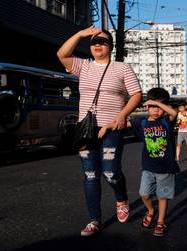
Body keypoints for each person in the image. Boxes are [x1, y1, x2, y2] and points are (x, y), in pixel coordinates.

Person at [57, 26, 142, 236]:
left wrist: (122, 115)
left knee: (111, 172)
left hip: (112, 127)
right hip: (86, 129)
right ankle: (94, 220)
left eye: (102, 41)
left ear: (110, 47)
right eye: (94, 42)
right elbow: (62, 54)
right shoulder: (83, 66)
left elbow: (137, 95)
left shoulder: (122, 68)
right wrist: (80, 34)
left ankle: (121, 198)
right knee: (90, 175)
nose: (97, 45)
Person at [99, 88, 178, 237]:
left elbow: (174, 113)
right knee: (144, 194)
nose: (156, 110)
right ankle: (150, 211)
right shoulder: (141, 123)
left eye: (160, 107)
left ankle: (160, 221)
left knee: (162, 197)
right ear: (147, 107)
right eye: (153, 106)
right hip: (148, 168)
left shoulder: (166, 121)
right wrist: (107, 126)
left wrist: (155, 102)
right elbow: (122, 124)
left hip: (166, 169)